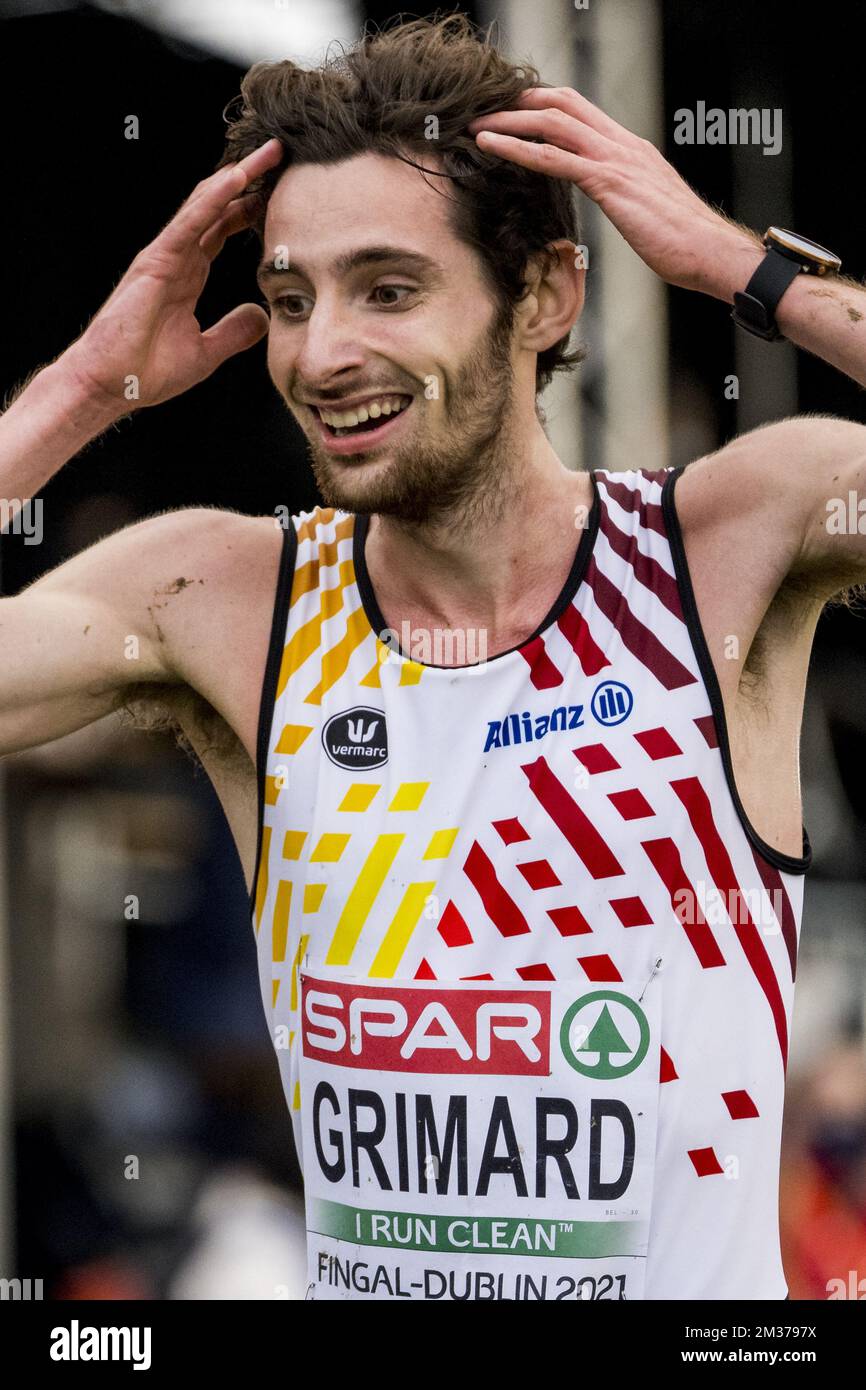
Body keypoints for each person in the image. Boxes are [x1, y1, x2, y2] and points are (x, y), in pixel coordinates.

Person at [1, 15, 864, 1300]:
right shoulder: (219, 596)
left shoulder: (725, 543)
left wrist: (752, 272)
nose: (323, 352)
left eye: (388, 288)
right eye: (291, 299)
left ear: (546, 297)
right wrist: (76, 392)